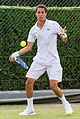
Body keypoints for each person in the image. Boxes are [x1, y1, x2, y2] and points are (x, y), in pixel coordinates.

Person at [9, 4, 73, 116]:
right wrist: (16, 54)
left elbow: (64, 39)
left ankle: (66, 103)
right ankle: (30, 109)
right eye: (38, 12)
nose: (40, 14)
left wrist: (64, 35)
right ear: (36, 14)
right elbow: (29, 47)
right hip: (40, 59)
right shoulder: (33, 30)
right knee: (28, 82)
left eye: (42, 12)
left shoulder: (53, 24)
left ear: (46, 13)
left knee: (53, 87)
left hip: (53, 60)